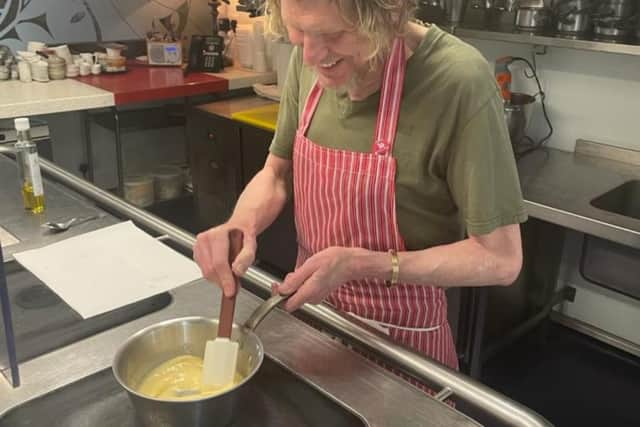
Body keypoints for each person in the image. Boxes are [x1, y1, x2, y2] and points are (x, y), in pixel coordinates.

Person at [193, 0, 526, 378]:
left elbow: (500, 260)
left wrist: (360, 265)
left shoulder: (457, 81)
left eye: (332, 34)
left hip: (403, 344)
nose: (311, 56)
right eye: (298, 33)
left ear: (389, 13)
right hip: (313, 321)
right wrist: (240, 225)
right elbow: (276, 172)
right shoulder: (311, 63)